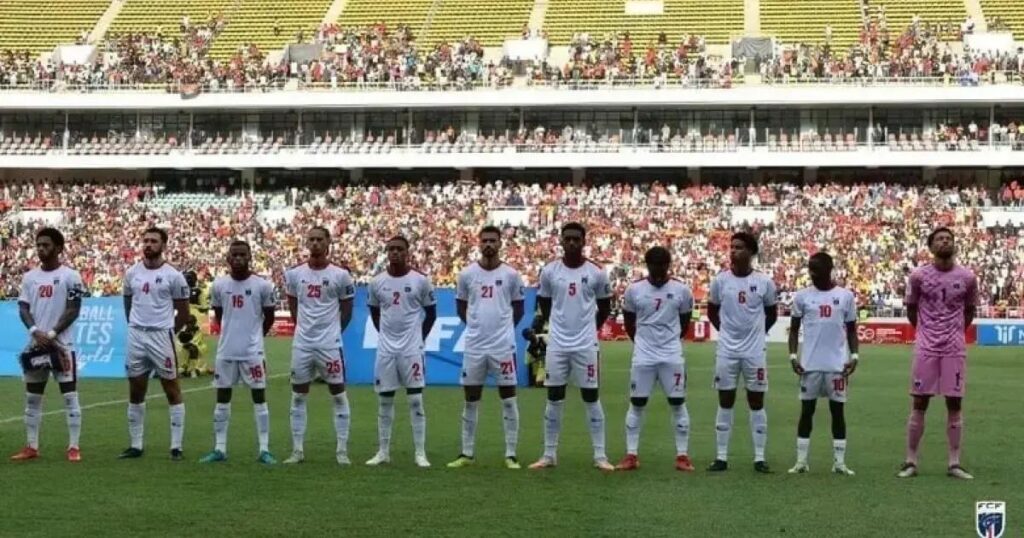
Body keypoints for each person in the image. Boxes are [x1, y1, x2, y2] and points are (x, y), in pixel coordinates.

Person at [529, 222, 614, 471]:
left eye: (577, 239)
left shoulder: (596, 272)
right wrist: (558, 327)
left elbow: (605, 307)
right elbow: (544, 303)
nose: (572, 243)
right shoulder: (549, 271)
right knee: (554, 397)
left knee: (591, 397)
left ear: (584, 241)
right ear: (561, 241)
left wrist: (589, 329)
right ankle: (549, 454)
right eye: (567, 238)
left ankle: (600, 456)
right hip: (557, 345)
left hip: (586, 346)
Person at [899, 227, 977, 479]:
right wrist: (926, 332)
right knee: (919, 401)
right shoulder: (918, 276)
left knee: (954, 402)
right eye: (940, 239)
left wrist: (954, 332)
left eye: (949, 239)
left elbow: (969, 310)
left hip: (954, 347)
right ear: (931, 247)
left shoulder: (967, 277)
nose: (945, 241)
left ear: (955, 245)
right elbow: (911, 309)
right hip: (926, 347)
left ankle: (954, 463)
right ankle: (910, 461)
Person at [447, 226, 526, 470]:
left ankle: (511, 454)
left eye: (493, 240)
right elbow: (461, 306)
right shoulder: (467, 274)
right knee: (471, 399)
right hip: (475, 347)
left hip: (503, 347)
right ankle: (467, 453)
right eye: (485, 241)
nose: (488, 244)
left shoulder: (512, 275)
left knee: (509, 399)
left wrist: (502, 331)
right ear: (478, 244)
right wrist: (476, 326)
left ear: (500, 243)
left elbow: (519, 309)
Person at [615, 246, 696, 472]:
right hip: (643, 356)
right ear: (647, 265)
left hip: (671, 355)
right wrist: (643, 343)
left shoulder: (682, 290)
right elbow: (630, 322)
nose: (659, 271)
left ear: (668, 266)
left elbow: (684, 322)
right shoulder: (634, 290)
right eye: (654, 266)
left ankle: (682, 455)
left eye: (663, 266)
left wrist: (668, 342)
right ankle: (631, 454)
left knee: (678, 403)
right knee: (637, 403)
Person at [199, 240, 278, 464]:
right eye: (234, 254)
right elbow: (219, 314)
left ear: (250, 256)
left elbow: (269, 317)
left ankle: (264, 449)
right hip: (226, 351)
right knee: (222, 399)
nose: (238, 258)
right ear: (228, 258)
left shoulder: (262, 285)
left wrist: (255, 338)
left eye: (242, 254)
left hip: (252, 352)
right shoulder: (219, 285)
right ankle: (220, 449)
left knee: (259, 398)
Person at [282, 226, 355, 465]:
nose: (314, 243)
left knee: (338, 394)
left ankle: (342, 450)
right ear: (306, 242)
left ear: (328, 243)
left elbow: (346, 311)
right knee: (298, 396)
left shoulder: (341, 275)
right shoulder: (294, 274)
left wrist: (331, 334)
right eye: (311, 239)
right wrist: (305, 329)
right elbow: (293, 306)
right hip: (302, 344)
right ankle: (297, 450)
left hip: (329, 345)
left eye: (319, 240)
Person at [11, 228, 84, 462]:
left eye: (46, 245)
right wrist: (35, 331)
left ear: (59, 248)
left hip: (63, 345)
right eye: (38, 245)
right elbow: (23, 307)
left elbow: (74, 309)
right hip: (36, 345)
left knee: (70, 396)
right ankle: (32, 446)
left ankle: (73, 447)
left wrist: (51, 334)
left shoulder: (71, 276)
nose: (41, 248)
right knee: (32, 398)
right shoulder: (29, 277)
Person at [707, 231, 778, 473]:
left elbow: (772, 313)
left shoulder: (764, 282)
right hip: (727, 351)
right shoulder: (720, 280)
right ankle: (721, 457)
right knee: (725, 400)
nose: (733, 251)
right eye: (732, 246)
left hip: (755, 353)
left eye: (738, 247)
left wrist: (757, 334)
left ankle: (759, 458)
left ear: (750, 252)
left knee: (756, 401)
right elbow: (712, 311)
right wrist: (725, 332)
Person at [365, 236, 437, 468]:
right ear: (386, 252)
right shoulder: (377, 282)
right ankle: (383, 451)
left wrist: (418, 338)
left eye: (399, 249)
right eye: (391, 249)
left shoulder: (420, 281)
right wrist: (386, 335)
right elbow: (375, 313)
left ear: (407, 252)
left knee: (415, 400)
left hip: (411, 350)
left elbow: (431, 314)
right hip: (386, 350)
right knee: (384, 401)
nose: (395, 252)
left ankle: (420, 453)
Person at [119, 227, 190, 460]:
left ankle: (176, 446)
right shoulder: (131, 274)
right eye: (145, 240)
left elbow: (183, 311)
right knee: (136, 389)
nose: (148, 244)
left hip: (161, 336)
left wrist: (170, 330)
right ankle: (136, 445)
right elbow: (128, 304)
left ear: (163, 245)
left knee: (171, 388)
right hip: (137, 335)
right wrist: (135, 326)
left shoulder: (174, 276)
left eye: (153, 241)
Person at [786, 252, 858, 475]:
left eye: (816, 269)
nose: (812, 273)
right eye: (810, 269)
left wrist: (854, 356)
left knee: (838, 413)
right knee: (806, 412)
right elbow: (794, 329)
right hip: (809, 366)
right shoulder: (802, 297)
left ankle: (839, 463)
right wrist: (793, 356)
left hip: (837, 366)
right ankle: (801, 461)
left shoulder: (845, 296)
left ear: (829, 269)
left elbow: (853, 330)